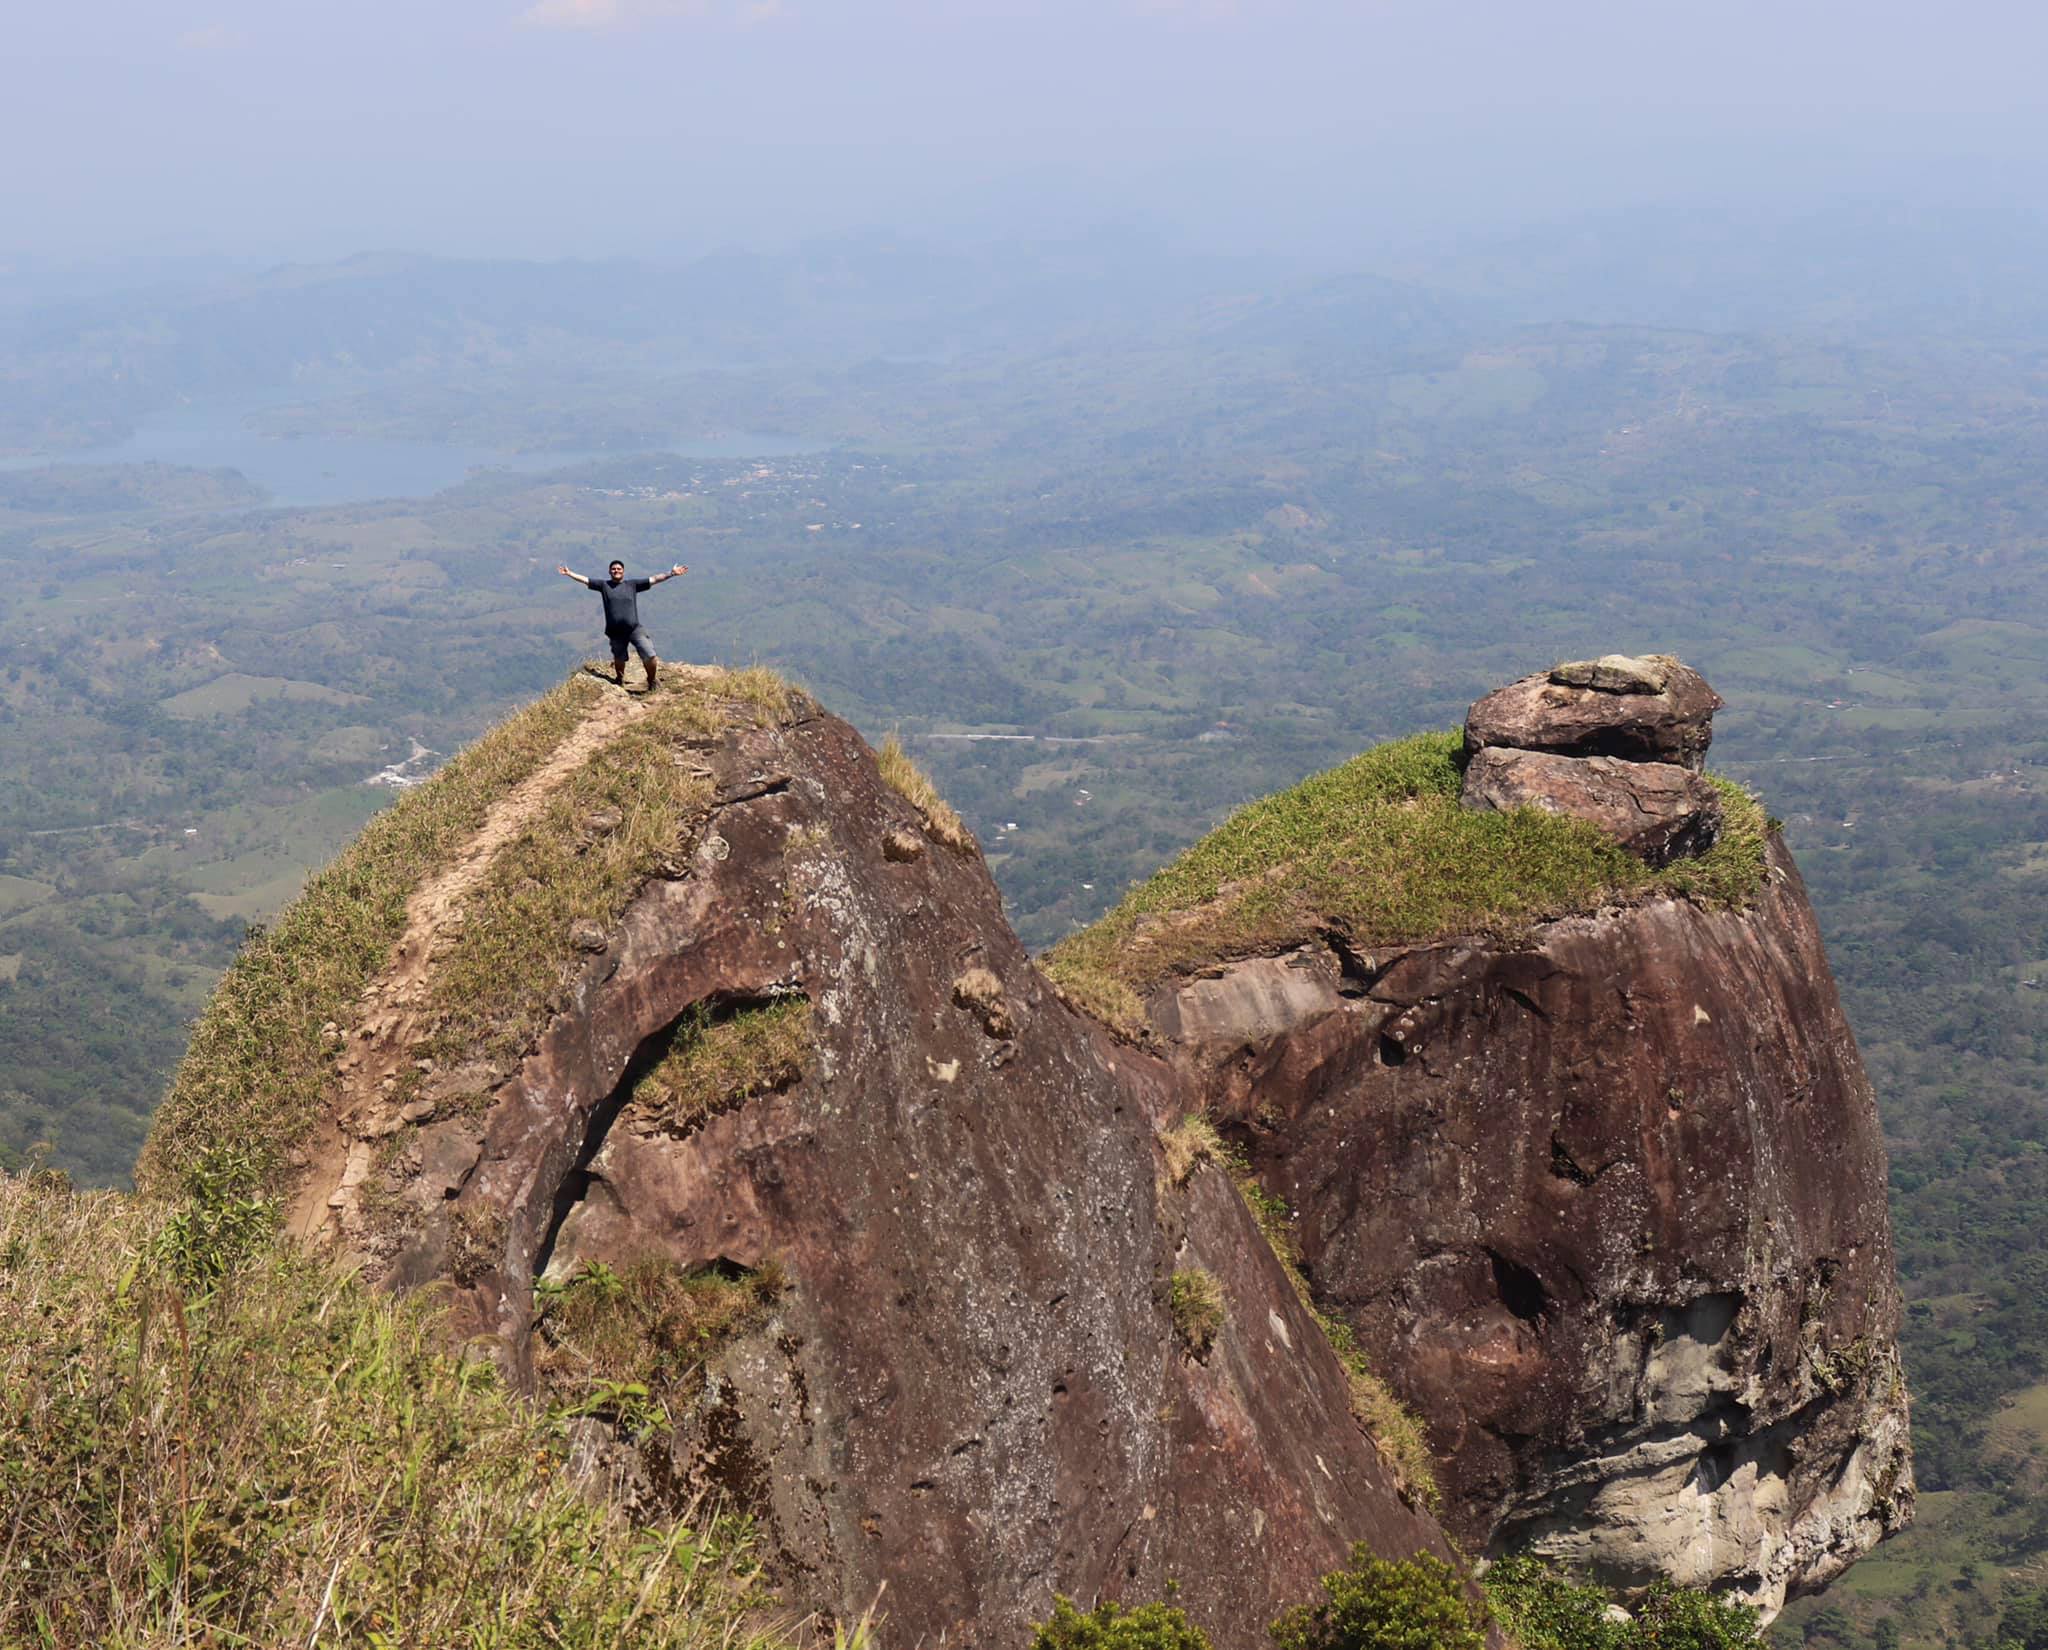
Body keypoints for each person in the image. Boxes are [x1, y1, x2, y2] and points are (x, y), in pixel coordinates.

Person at [557, 559, 688, 689]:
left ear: (623, 571)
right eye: (613, 569)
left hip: (634, 629)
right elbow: (585, 580)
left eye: (619, 569)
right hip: (615, 632)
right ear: (609, 571)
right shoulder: (604, 586)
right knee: (619, 658)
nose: (616, 571)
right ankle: (619, 679)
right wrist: (569, 573)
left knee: (650, 655)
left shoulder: (632, 585)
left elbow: (653, 579)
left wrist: (671, 573)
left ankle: (652, 680)